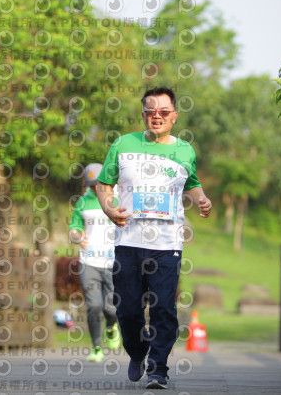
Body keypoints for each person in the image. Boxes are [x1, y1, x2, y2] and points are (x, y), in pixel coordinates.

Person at [96, 87, 212, 389]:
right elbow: (104, 184)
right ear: (143, 114)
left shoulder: (185, 150)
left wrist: (201, 199)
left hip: (167, 244)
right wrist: (109, 210)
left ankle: (158, 368)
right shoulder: (123, 144)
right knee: (129, 309)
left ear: (173, 115)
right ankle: (137, 352)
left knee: (163, 307)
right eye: (150, 111)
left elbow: (193, 183)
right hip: (128, 242)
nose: (156, 117)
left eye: (163, 112)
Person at [68, 163, 121, 362]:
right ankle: (97, 347)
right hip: (88, 261)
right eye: (91, 186)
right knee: (94, 305)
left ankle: (111, 326)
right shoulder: (82, 202)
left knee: (111, 308)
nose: (94, 190)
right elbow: (74, 227)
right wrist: (76, 237)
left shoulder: (117, 199)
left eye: (97, 185)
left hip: (113, 261)